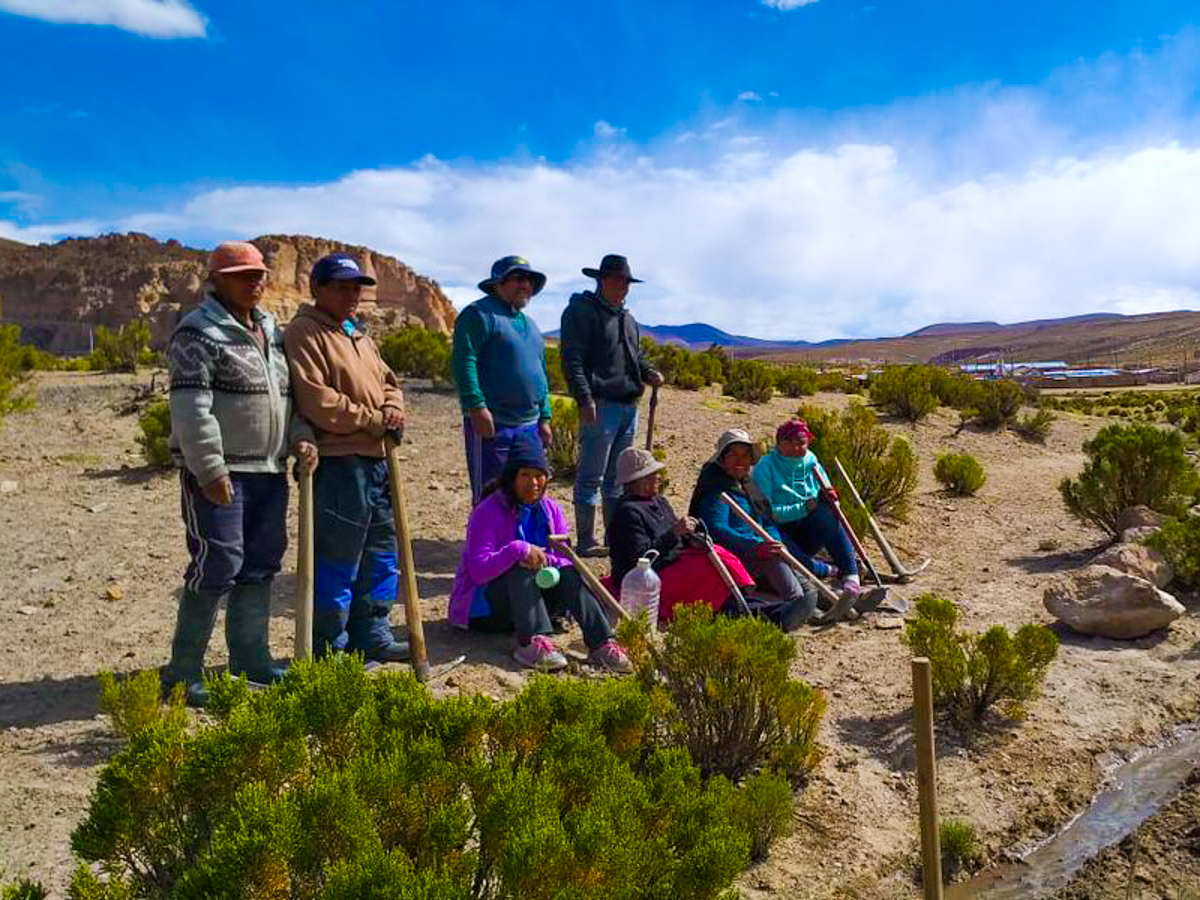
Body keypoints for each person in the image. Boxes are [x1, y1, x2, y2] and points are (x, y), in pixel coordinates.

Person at [164, 240, 318, 706]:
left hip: (269, 470)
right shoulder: (197, 333)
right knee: (217, 564)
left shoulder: (271, 331)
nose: (255, 282)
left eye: (259, 274)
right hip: (222, 472)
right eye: (242, 275)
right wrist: (209, 467)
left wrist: (300, 435)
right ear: (218, 280)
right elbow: (191, 408)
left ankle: (250, 659)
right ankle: (183, 671)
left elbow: (287, 397)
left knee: (261, 563)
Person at [283, 252, 410, 662]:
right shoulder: (305, 332)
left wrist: (392, 407)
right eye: (341, 286)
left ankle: (371, 633)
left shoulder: (357, 333)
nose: (351, 294)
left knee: (381, 551)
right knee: (339, 557)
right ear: (317, 289)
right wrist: (373, 420)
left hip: (376, 461)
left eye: (356, 287)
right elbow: (318, 401)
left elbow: (390, 381)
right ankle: (329, 645)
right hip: (340, 462)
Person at [448, 432, 632, 673]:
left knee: (568, 573)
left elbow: (565, 558)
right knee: (520, 568)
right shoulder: (488, 511)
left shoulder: (551, 510)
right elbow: (478, 570)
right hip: (488, 611)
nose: (533, 483)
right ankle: (531, 643)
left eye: (539, 476)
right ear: (512, 477)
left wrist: (547, 560)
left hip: (537, 603)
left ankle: (601, 643)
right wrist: (518, 550)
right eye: (525, 475)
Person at [559, 254, 663, 556]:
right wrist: (583, 397)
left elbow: (635, 357)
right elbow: (572, 358)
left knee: (619, 478)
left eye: (626, 281)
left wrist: (648, 373)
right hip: (600, 404)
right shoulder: (582, 311)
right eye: (616, 280)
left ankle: (614, 537)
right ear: (601, 280)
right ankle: (586, 540)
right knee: (592, 474)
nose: (621, 286)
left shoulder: (628, 319)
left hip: (628, 405)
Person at [688, 429, 819, 631]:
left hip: (754, 551)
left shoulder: (747, 487)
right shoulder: (716, 491)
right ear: (722, 459)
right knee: (773, 558)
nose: (740, 461)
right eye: (733, 455)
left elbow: (765, 522)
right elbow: (717, 530)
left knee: (780, 554)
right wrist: (756, 547)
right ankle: (797, 604)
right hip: (732, 558)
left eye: (745, 456)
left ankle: (814, 603)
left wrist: (773, 541)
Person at [608, 447, 755, 623]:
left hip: (673, 560)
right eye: (654, 474)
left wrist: (691, 537)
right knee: (705, 571)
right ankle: (740, 610)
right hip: (649, 574)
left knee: (716, 555)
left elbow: (676, 534)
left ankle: (745, 604)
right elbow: (642, 556)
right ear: (642, 480)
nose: (659, 478)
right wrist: (675, 532)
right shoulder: (627, 512)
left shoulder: (659, 501)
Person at [452, 255, 553, 502]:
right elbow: (465, 360)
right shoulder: (479, 314)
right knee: (492, 492)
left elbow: (540, 372)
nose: (525, 285)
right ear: (498, 282)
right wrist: (476, 406)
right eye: (517, 278)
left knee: (527, 492)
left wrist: (545, 416)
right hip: (494, 423)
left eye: (530, 280)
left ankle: (519, 541)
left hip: (529, 425)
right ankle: (487, 541)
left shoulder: (530, 324)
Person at [753, 419, 860, 597]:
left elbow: (826, 492)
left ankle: (851, 574)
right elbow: (770, 514)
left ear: (808, 442)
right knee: (780, 547)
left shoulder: (811, 461)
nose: (796, 448)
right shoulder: (765, 467)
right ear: (778, 443)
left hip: (807, 527)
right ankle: (823, 570)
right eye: (789, 442)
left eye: (801, 443)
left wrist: (830, 500)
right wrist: (803, 508)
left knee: (830, 515)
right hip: (779, 529)